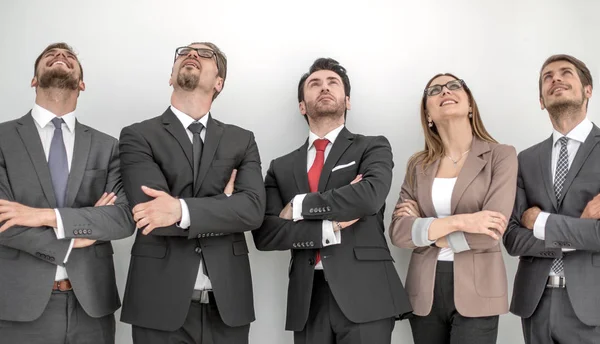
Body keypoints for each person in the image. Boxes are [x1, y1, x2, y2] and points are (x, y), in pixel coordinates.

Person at [252, 57, 412, 344]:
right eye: (314, 84)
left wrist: (299, 207)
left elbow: (369, 197)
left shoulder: (372, 146)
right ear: (302, 105)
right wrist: (329, 227)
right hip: (307, 299)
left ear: (347, 101)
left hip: (367, 292)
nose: (324, 88)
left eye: (332, 83)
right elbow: (266, 234)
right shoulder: (281, 166)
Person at [119, 42, 266, 344]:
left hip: (228, 305)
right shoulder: (137, 135)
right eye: (184, 52)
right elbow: (151, 213)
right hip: (156, 302)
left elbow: (252, 210)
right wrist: (224, 205)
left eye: (205, 54)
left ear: (219, 82)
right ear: (171, 76)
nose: (192, 55)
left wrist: (181, 210)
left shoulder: (242, 140)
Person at [0, 42, 135, 344]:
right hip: (18, 307)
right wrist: (77, 237)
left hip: (91, 308)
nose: (60, 56)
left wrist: (42, 217)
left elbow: (123, 218)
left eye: (69, 56)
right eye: (50, 55)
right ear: (34, 79)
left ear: (82, 84)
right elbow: (3, 222)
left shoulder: (107, 146)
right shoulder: (2, 139)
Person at [389, 73, 517, 344]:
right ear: (428, 114)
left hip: (478, 289)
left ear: (470, 104)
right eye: (434, 90)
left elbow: (488, 232)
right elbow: (399, 233)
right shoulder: (418, 165)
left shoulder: (501, 156)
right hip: (424, 290)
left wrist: (426, 233)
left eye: (453, 85)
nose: (445, 91)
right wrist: (463, 221)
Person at [504, 54, 600, 344]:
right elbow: (512, 238)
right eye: (547, 77)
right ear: (541, 100)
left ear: (588, 90)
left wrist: (541, 221)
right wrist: (578, 232)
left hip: (592, 304)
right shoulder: (526, 159)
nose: (555, 79)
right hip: (535, 304)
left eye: (565, 73)